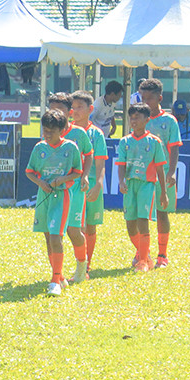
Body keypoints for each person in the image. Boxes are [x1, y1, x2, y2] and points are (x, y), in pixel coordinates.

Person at [23, 109, 81, 296]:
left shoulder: (70, 147)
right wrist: (41, 183)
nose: (47, 134)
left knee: (56, 236)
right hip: (44, 196)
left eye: (51, 131)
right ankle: (60, 274)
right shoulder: (39, 148)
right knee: (48, 237)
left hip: (61, 196)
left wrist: (62, 180)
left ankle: (55, 280)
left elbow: (77, 172)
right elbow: (30, 171)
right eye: (45, 130)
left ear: (62, 129)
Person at [47, 92, 93, 284]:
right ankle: (57, 274)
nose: (55, 113)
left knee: (74, 232)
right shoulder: (47, 133)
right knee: (50, 233)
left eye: (60, 109)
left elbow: (88, 154)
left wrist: (85, 175)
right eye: (52, 109)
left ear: (69, 112)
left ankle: (82, 265)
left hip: (73, 190)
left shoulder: (78, 133)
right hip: (53, 191)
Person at [116, 104, 169, 272]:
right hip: (130, 185)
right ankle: (143, 253)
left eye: (137, 117)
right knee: (130, 225)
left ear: (147, 120)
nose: (133, 121)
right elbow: (121, 165)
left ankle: (143, 262)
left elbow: (160, 169)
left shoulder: (154, 142)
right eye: (131, 118)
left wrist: (164, 193)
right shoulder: (125, 141)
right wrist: (121, 181)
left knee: (142, 221)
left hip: (146, 185)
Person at [139, 78, 181, 268]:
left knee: (162, 212)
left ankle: (162, 254)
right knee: (141, 215)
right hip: (141, 175)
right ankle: (142, 252)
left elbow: (174, 148)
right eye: (142, 98)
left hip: (162, 173)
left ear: (159, 98)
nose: (145, 102)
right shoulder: (139, 118)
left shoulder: (169, 120)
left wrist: (172, 171)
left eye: (149, 98)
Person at [70, 91, 109, 272]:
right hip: (70, 185)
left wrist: (98, 184)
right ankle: (77, 261)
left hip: (91, 183)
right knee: (74, 225)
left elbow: (100, 163)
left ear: (90, 109)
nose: (75, 111)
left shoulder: (97, 134)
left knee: (90, 226)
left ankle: (87, 265)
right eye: (73, 107)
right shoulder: (66, 131)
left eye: (80, 107)